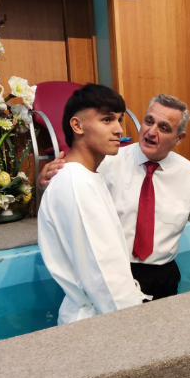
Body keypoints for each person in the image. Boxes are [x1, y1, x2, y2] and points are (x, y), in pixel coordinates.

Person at [39, 93, 190, 301]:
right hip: (112, 273)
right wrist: (45, 181)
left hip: (162, 276)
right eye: (149, 121)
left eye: (164, 127)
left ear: (179, 138)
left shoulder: (189, 174)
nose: (151, 131)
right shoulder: (107, 160)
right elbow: (67, 191)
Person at [37, 84, 150, 325]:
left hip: (100, 314)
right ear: (77, 126)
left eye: (119, 120)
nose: (119, 129)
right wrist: (135, 325)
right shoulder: (77, 182)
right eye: (107, 120)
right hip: (99, 320)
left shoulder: (85, 176)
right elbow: (103, 271)